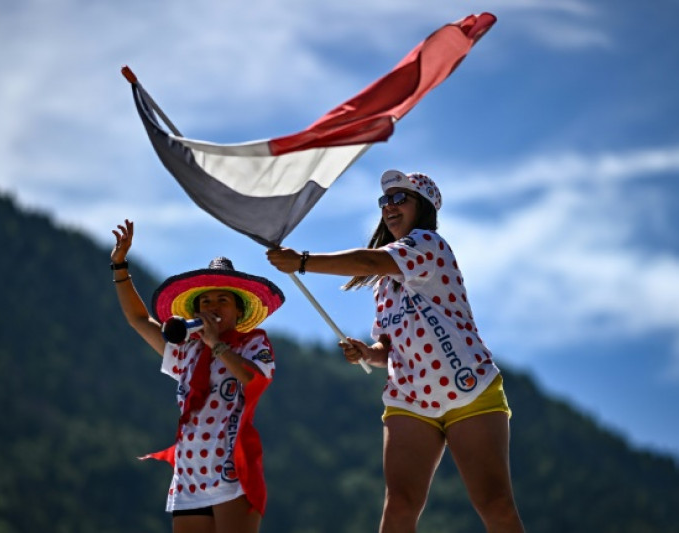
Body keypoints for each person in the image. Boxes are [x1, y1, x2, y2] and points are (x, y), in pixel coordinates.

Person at [266, 171, 525, 533]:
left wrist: (304, 262)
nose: (389, 207)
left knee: (495, 504)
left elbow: (368, 262)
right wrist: (366, 353)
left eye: (400, 198)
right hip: (410, 398)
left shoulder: (429, 245)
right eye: (384, 201)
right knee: (400, 505)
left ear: (424, 208)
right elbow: (389, 349)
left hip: (470, 389)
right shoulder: (384, 285)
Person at [111, 219, 285, 533]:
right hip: (189, 476)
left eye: (222, 300)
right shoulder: (187, 350)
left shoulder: (252, 345)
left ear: (238, 311)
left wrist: (216, 343)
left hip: (232, 472)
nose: (212, 306)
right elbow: (139, 320)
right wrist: (120, 267)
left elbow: (255, 380)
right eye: (205, 301)